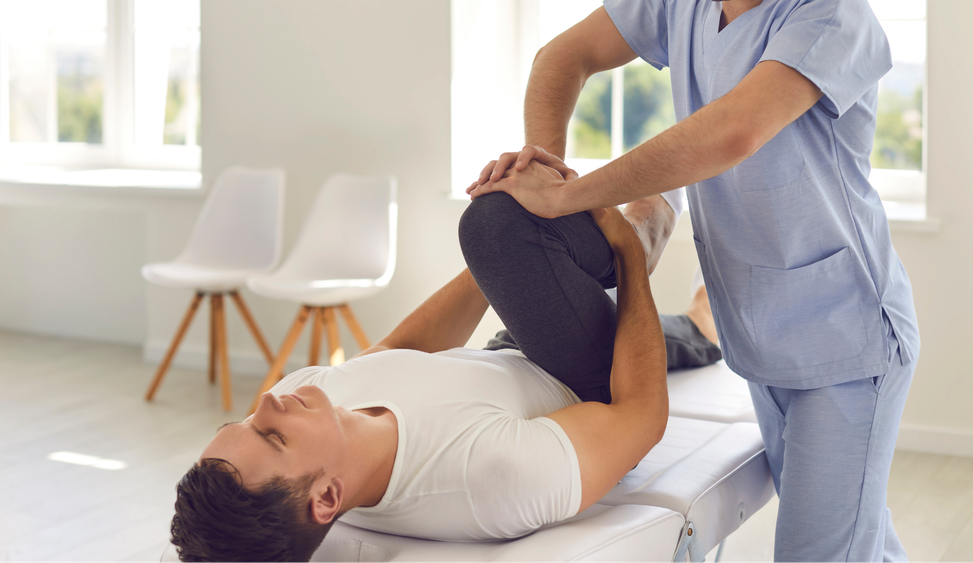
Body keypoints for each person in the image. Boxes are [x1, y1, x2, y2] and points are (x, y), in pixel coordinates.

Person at [467, 1, 919, 561]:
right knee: (856, 532)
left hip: (846, 339)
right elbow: (563, 56)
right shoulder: (683, 6)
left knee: (823, 550)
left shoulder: (833, 16)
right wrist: (544, 166)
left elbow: (735, 131)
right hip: (760, 338)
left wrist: (564, 198)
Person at [168, 191, 723, 563]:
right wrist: (627, 256)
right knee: (497, 224)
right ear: (327, 498)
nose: (268, 400)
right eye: (271, 436)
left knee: (501, 233)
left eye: (242, 421)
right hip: (588, 383)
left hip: (507, 356)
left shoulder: (309, 409)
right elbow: (640, 419)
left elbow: (397, 352)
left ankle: (696, 311)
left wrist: (492, 273)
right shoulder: (486, 479)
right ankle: (654, 226)